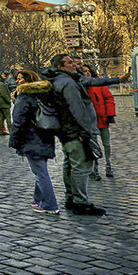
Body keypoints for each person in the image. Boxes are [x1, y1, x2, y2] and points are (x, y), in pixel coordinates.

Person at [41, 54, 126, 216]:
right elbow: (76, 109)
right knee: (80, 166)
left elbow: (90, 82)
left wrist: (117, 80)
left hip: (65, 130)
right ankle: (80, 202)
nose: (75, 65)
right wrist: (83, 131)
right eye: (70, 62)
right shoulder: (67, 83)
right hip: (74, 131)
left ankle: (71, 198)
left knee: (70, 164)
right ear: (60, 66)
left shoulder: (59, 79)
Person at [9, 69, 59, 214]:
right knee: (40, 169)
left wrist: (14, 140)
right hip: (45, 135)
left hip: (31, 137)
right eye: (17, 79)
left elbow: (18, 120)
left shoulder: (24, 96)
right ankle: (38, 198)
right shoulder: (44, 93)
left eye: (20, 78)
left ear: (28, 79)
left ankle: (50, 205)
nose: (18, 81)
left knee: (40, 172)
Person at [80, 63, 115, 178]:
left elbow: (108, 98)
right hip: (90, 121)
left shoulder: (98, 84)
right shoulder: (81, 87)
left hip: (102, 118)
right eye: (84, 71)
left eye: (88, 70)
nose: (87, 73)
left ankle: (108, 164)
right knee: (93, 145)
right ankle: (94, 168)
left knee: (106, 144)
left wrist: (110, 114)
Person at [0, 72, 12, 136]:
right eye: (2, 74)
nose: (4, 75)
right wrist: (8, 101)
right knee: (8, 117)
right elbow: (4, 94)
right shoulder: (1, 84)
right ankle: (11, 130)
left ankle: (1, 130)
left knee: (2, 117)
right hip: (4, 103)